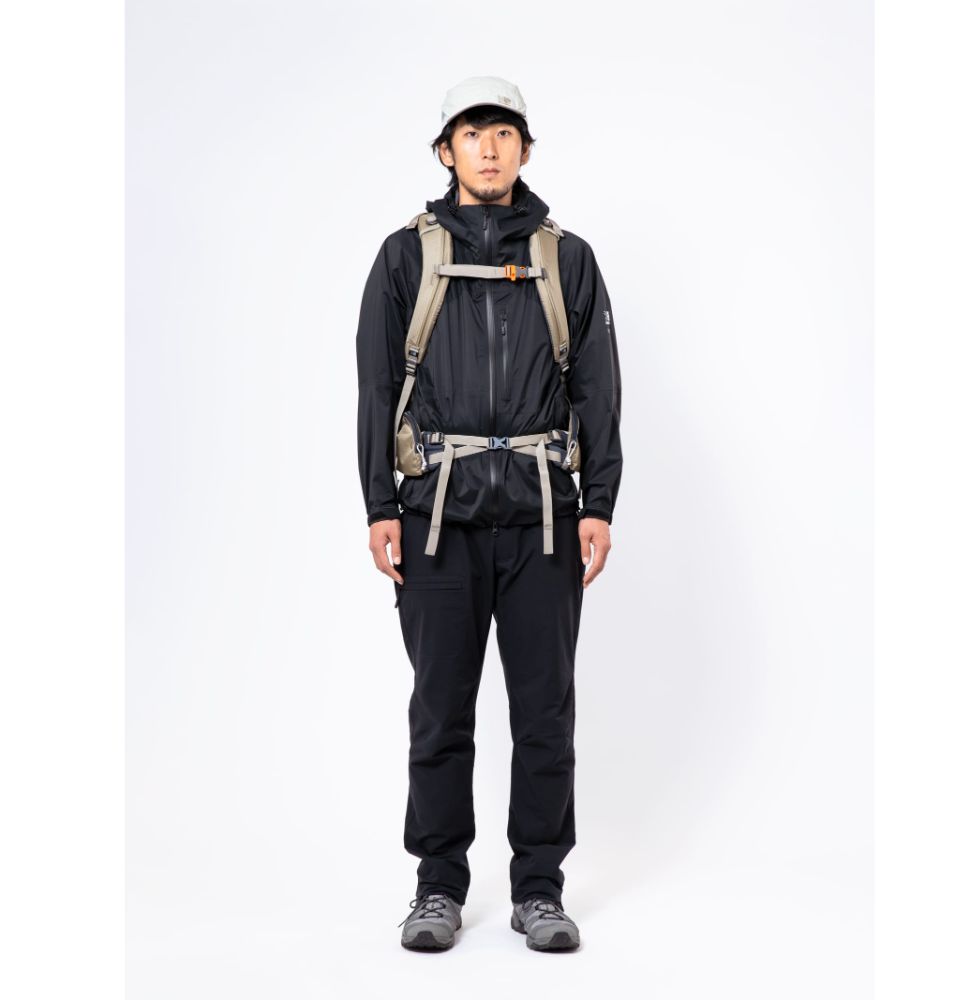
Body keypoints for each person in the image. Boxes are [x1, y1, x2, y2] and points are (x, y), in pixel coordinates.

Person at [355, 75, 623, 952]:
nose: (490, 146)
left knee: (546, 714)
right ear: (446, 150)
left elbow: (599, 388)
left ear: (525, 149)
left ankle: (539, 890)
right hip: (436, 519)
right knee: (440, 712)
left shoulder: (567, 259)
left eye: (505, 132)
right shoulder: (405, 257)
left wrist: (599, 502)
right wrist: (380, 505)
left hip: (546, 519)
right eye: (473, 132)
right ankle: (437, 887)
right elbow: (375, 389)